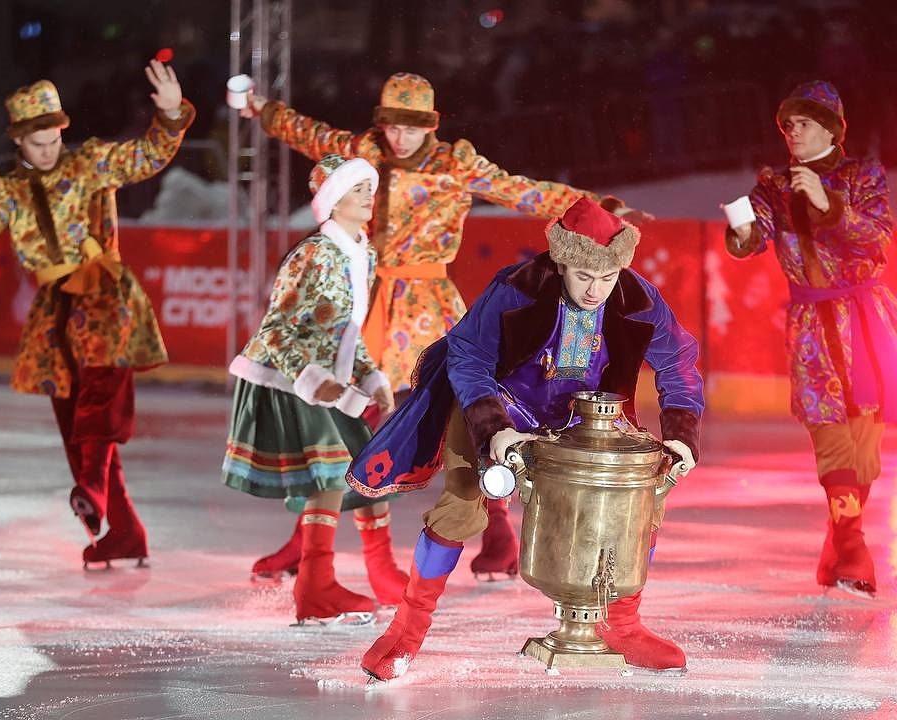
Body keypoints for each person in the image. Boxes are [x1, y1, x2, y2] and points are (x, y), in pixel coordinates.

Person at [243, 72, 650, 580]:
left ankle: (497, 531)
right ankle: (310, 544)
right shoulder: (362, 153)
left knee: (461, 415)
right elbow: (311, 134)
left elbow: (519, 190)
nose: (399, 137)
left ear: (430, 126)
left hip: (427, 302)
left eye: (411, 128)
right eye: (391, 125)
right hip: (367, 302)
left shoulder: (454, 164)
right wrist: (258, 108)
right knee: (345, 420)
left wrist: (599, 209)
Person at [346, 197, 704, 679]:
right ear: (561, 261)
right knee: (460, 506)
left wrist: (681, 436)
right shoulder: (518, 289)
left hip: (585, 418)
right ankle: (406, 632)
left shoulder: (638, 297)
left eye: (607, 277)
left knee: (641, 500)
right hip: (499, 403)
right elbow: (468, 357)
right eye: (583, 276)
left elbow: (679, 363)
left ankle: (621, 624)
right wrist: (495, 428)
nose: (596, 289)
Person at [0, 60, 195, 568]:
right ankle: (124, 531)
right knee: (71, 419)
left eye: (54, 136)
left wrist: (169, 117)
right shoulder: (7, 188)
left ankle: (94, 494)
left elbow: (147, 155)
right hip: (55, 308)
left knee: (99, 402)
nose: (49, 147)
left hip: (104, 295)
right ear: (18, 143)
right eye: (37, 142)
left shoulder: (92, 163)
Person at [725, 81, 896, 599]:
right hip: (813, 327)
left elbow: (881, 241)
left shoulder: (863, 175)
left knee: (864, 443)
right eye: (786, 126)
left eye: (800, 123)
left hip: (866, 319)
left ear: (829, 128)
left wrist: (829, 203)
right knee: (828, 429)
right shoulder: (774, 184)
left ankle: (840, 541)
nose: (791, 133)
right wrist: (742, 228)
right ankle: (852, 546)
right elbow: (754, 236)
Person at [221, 154, 410, 621]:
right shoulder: (313, 254)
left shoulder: (363, 253)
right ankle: (315, 585)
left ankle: (380, 571)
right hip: (290, 380)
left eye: (371, 187)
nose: (370, 195)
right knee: (329, 475)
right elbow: (275, 327)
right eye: (357, 188)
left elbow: (347, 332)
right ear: (332, 200)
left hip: (330, 383)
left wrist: (371, 377)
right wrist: (311, 378)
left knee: (369, 470)